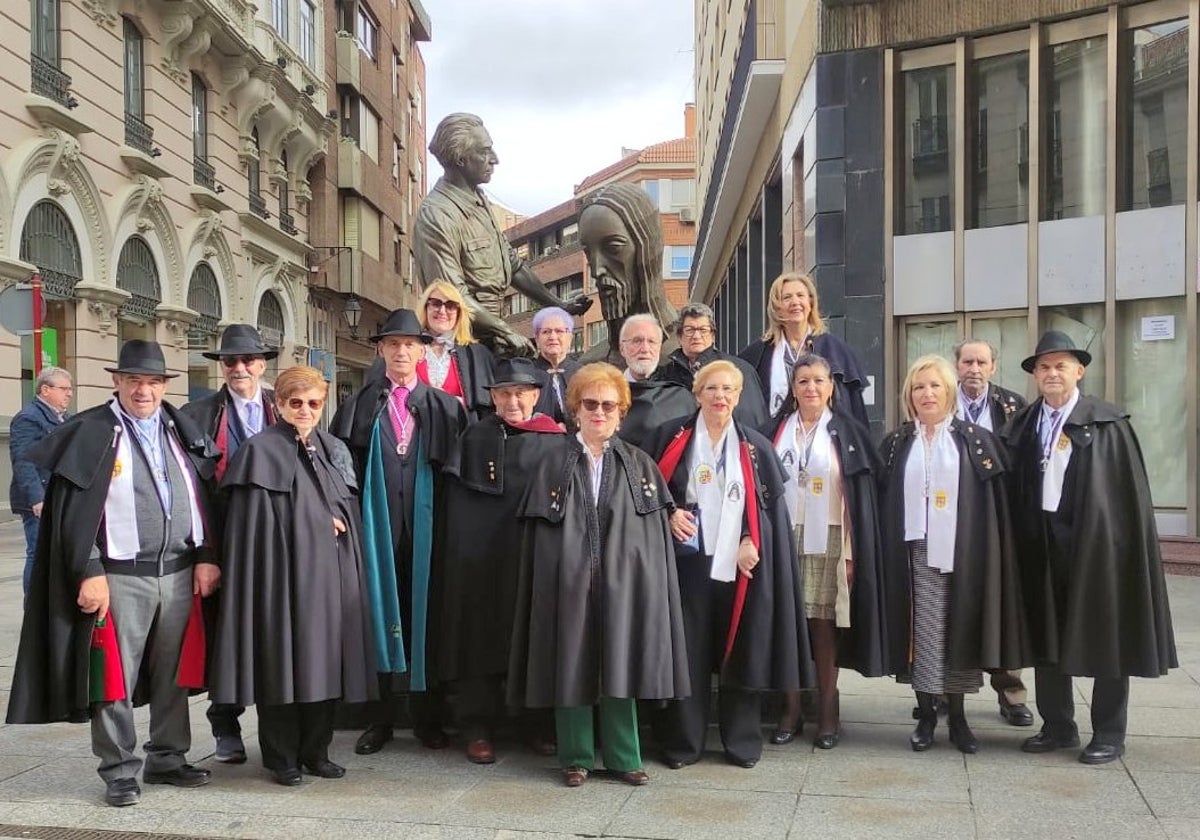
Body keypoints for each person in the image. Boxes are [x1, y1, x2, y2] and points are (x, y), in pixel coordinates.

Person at [7, 340, 221, 808]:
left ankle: (167, 756)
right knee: (113, 678)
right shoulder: (93, 431)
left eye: (153, 382)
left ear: (165, 386)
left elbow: (200, 492)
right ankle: (120, 769)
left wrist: (206, 552)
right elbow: (71, 514)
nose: (144, 390)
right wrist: (88, 568)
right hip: (120, 575)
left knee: (173, 674)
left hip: (180, 570)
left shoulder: (177, 427)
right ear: (117, 382)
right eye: (135, 381)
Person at [508, 363, 689, 787]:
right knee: (570, 660)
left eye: (609, 405)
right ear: (575, 409)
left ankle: (625, 757)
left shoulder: (639, 464)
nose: (600, 412)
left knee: (619, 662)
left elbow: (649, 534)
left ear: (621, 412)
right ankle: (575, 756)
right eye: (591, 404)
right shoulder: (551, 461)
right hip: (567, 582)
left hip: (621, 585)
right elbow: (539, 536)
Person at [999, 331, 1176, 765]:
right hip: (1039, 543)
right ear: (1034, 376)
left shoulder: (1107, 423)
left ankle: (1109, 733)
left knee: (1106, 634)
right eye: (1044, 367)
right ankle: (1058, 726)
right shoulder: (1022, 425)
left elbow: (1123, 496)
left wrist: (1114, 544)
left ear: (1079, 371)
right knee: (1046, 636)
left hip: (1096, 546)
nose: (1052, 373)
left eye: (1061, 365)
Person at [212, 366, 376, 785]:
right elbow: (254, 526)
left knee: (324, 663)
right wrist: (317, 522)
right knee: (281, 664)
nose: (305, 410)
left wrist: (336, 521)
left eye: (314, 403)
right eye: (296, 402)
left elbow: (345, 508)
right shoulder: (259, 451)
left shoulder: (330, 448)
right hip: (279, 579)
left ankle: (316, 751)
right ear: (279, 404)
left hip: (327, 579)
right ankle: (281, 757)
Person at [648, 360, 811, 769]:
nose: (720, 397)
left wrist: (749, 540)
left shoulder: (755, 446)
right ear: (697, 393)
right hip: (686, 567)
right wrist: (668, 515)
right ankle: (685, 743)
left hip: (740, 570)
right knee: (688, 653)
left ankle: (740, 740)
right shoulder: (672, 437)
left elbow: (769, 512)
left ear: (738, 397)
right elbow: (650, 495)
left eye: (728, 390)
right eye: (712, 389)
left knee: (742, 650)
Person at [330, 308, 469, 756]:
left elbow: (458, 476)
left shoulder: (447, 408)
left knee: (427, 621)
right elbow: (341, 472)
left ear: (422, 349)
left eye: (410, 344)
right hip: (377, 533)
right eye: (393, 344)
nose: (402, 351)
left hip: (432, 536)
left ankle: (429, 719)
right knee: (378, 620)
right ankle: (380, 719)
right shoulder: (360, 405)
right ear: (381, 349)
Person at [878, 355, 1027, 754]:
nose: (927, 394)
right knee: (923, 633)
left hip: (963, 553)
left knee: (957, 632)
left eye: (935, 386)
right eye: (919, 387)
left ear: (949, 392)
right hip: (913, 553)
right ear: (910, 394)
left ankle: (958, 717)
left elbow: (992, 505)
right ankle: (927, 714)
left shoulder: (974, 440)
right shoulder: (896, 443)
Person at [439, 358, 568, 764]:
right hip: (481, 563)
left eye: (520, 393)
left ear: (535, 395)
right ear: (492, 397)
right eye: (503, 393)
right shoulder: (474, 437)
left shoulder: (556, 440)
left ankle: (536, 724)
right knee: (479, 639)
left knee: (537, 638)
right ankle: (476, 727)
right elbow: (457, 508)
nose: (512, 401)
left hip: (535, 558)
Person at [765, 354, 887, 749]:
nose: (811, 388)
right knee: (787, 625)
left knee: (822, 626)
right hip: (783, 539)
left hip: (831, 538)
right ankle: (791, 708)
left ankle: (829, 711)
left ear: (831, 386)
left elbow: (860, 498)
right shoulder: (775, 430)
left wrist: (852, 553)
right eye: (803, 381)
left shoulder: (847, 432)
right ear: (793, 387)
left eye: (818, 380)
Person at [180, 323, 279, 763]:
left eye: (246, 360)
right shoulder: (199, 414)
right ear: (222, 367)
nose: (239, 368)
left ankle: (279, 726)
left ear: (261, 364)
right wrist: (205, 554)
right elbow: (190, 491)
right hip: (223, 541)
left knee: (274, 630)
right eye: (230, 361)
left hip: (276, 544)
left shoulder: (286, 407)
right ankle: (225, 725)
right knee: (223, 633)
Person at [413, 113, 589, 357]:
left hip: (494, 337)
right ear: (461, 159)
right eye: (484, 152)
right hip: (464, 346)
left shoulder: (479, 202)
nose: (494, 159)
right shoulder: (437, 215)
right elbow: (452, 296)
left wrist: (559, 305)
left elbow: (514, 266)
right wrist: (505, 331)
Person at [951, 337, 1031, 727]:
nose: (974, 369)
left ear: (994, 367)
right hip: (951, 524)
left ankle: (1011, 692)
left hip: (1000, 523)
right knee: (949, 608)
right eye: (967, 361)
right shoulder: (938, 402)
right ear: (957, 366)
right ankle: (942, 693)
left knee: (1004, 609)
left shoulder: (1014, 408)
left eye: (981, 362)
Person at [739, 273, 870, 428]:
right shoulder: (759, 353)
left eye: (800, 295)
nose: (795, 302)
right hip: (775, 444)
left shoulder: (834, 349)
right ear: (777, 308)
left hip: (826, 441)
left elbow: (853, 408)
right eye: (787, 297)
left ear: (810, 303)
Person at [577, 183, 679, 364]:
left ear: (648, 249)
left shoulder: (689, 358)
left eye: (613, 248)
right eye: (588, 252)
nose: (596, 270)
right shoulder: (589, 365)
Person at [9, 365, 72, 596]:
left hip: (59, 496)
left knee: (56, 555)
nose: (69, 393)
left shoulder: (65, 418)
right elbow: (23, 461)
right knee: (38, 553)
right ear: (45, 390)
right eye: (64, 388)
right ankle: (33, 609)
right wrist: (37, 498)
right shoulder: (28, 418)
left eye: (70, 389)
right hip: (40, 501)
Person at [658, 303, 768, 427]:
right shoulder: (665, 375)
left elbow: (754, 418)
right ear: (679, 336)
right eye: (689, 330)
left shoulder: (738, 370)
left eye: (703, 330)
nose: (696, 336)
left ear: (713, 335)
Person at [415, 280, 496, 421]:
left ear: (459, 313)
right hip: (415, 435)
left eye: (451, 306)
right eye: (436, 303)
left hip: (459, 435)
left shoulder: (477, 355)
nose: (442, 311)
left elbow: (486, 409)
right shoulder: (409, 348)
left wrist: (450, 402)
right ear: (425, 307)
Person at [615, 314, 696, 451]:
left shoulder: (680, 397)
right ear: (622, 348)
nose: (645, 349)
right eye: (637, 341)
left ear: (659, 348)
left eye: (652, 342)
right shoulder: (605, 396)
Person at [529, 306, 580, 428]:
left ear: (570, 337)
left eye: (559, 331)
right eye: (546, 332)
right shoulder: (526, 374)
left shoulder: (583, 374)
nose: (553, 337)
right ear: (537, 339)